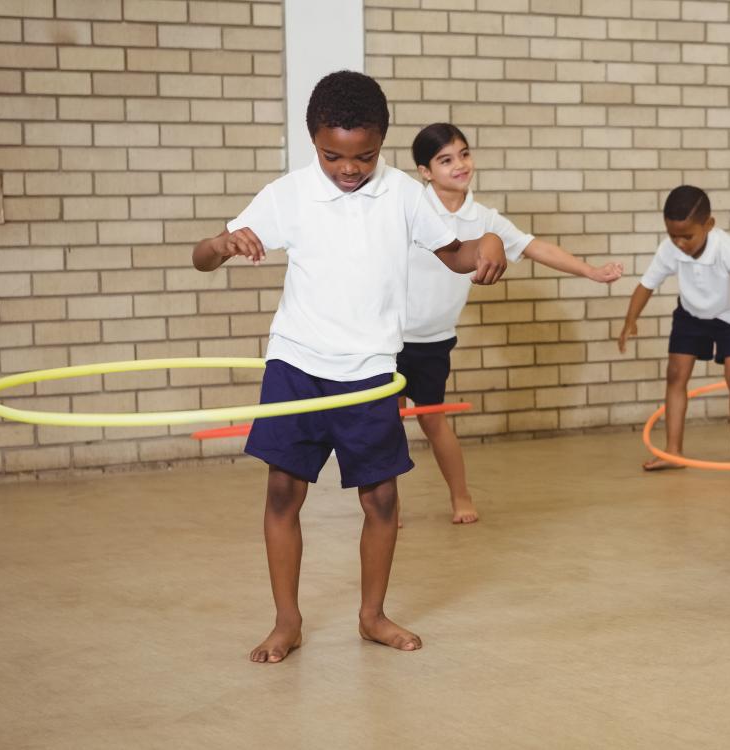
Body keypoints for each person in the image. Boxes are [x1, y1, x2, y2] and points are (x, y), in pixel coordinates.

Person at [190, 71, 507, 664]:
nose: (348, 168)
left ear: (382, 142)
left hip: (369, 369)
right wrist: (222, 244)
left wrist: (488, 243)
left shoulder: (406, 197)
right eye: (333, 155)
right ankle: (287, 621)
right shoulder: (289, 194)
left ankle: (372, 615)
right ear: (313, 141)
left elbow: (460, 256)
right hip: (297, 363)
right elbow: (202, 257)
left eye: (363, 156)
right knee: (284, 493)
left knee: (382, 500)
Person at [400, 123, 623, 524]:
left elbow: (536, 247)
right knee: (386, 423)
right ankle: (387, 504)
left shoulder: (483, 218)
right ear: (425, 171)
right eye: (445, 160)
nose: (460, 165)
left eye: (464, 154)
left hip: (433, 341)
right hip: (390, 338)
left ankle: (461, 496)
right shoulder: (410, 206)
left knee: (434, 420)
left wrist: (590, 271)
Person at [617, 185, 730, 471]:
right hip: (692, 314)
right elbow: (646, 285)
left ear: (709, 225)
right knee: (675, 374)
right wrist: (630, 320)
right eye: (673, 236)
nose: (680, 243)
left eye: (687, 236)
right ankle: (673, 452)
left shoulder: (726, 248)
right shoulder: (669, 249)